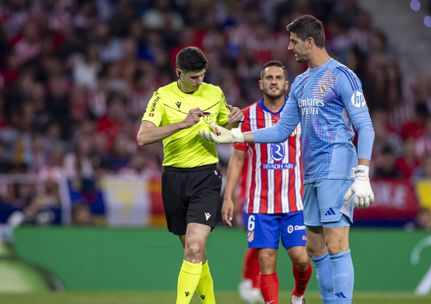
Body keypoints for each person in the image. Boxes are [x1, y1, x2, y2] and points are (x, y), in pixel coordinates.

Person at [201, 15, 375, 304]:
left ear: (310, 42)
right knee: (316, 248)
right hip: (310, 174)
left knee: (336, 243)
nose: (289, 47)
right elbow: (282, 129)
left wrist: (362, 173)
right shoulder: (302, 83)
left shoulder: (342, 76)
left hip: (337, 166)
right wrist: (236, 137)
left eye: (294, 41)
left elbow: (365, 126)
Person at [136, 46, 243, 304]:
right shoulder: (162, 97)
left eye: (202, 75)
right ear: (178, 72)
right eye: (193, 77)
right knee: (194, 252)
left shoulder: (214, 93)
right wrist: (183, 123)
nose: (199, 82)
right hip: (173, 178)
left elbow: (222, 126)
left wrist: (234, 120)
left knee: (194, 247)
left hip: (206, 177)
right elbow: (143, 136)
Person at [222, 60, 312, 304]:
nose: (274, 82)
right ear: (261, 83)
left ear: (286, 84)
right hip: (261, 204)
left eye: (278, 78)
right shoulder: (248, 116)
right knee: (267, 259)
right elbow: (237, 159)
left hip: (294, 202)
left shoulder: (300, 115)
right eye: (269, 78)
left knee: (301, 258)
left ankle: (298, 295)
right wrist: (228, 197)